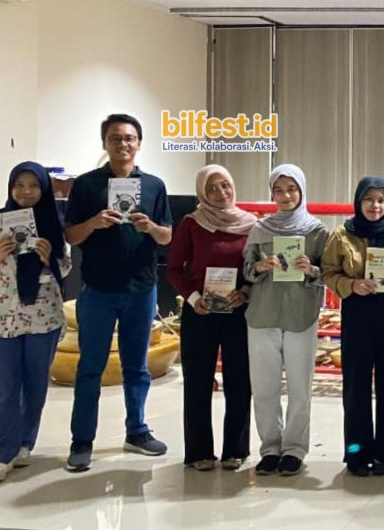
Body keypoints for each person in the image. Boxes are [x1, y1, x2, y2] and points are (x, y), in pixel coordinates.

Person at [64, 113, 173, 472]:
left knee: (137, 367)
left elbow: (167, 236)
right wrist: (94, 223)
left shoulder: (154, 185)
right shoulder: (86, 185)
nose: (123, 144)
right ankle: (82, 441)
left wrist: (150, 226)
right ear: (105, 143)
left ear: (139, 143)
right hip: (97, 290)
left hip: (141, 289)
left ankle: (137, 431)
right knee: (90, 367)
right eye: (115, 138)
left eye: (129, 138)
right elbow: (70, 235)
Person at [167, 165, 256, 471]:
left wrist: (245, 292)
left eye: (225, 185)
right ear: (202, 193)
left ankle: (236, 449)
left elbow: (256, 269)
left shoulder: (251, 224)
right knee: (197, 382)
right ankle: (199, 452)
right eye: (212, 188)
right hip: (200, 313)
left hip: (238, 312)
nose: (220, 192)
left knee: (239, 381)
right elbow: (174, 268)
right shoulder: (191, 223)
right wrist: (194, 299)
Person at [243, 164, 328, 476]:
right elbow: (246, 270)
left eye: (292, 189)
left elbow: (329, 273)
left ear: (302, 191)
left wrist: (311, 270)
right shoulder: (260, 229)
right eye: (278, 190)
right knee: (264, 387)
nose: (286, 195)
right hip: (262, 316)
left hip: (300, 316)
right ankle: (269, 448)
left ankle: (294, 449)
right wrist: (260, 267)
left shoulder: (317, 231)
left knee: (299, 388)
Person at [322, 176, 384, 477]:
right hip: (357, 318)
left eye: (381, 200)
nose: (376, 205)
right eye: (369, 199)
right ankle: (357, 453)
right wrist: (351, 284)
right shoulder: (342, 235)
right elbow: (328, 272)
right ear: (358, 201)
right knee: (356, 388)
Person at [0, 162, 68, 481]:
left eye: (34, 185)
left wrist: (48, 257)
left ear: (44, 189)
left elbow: (65, 268)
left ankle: (26, 442)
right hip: (5, 316)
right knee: (6, 387)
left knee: (36, 384)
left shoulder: (53, 224)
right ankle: (5, 449)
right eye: (19, 185)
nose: (26, 192)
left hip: (43, 316)